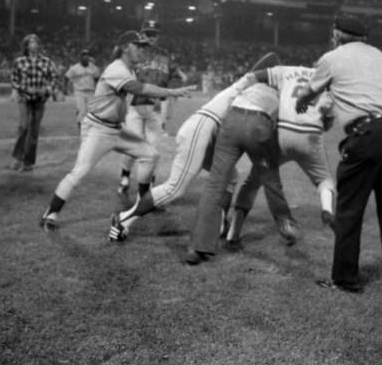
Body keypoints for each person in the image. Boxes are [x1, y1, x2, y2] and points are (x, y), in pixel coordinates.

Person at [294, 15, 382, 300]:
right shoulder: (379, 55)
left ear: (337, 34)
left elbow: (310, 92)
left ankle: (347, 279)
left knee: (349, 211)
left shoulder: (331, 58)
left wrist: (301, 101)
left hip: (368, 135)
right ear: (362, 37)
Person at [108, 53, 279, 242]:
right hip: (201, 128)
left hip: (207, 131)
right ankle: (123, 219)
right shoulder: (250, 84)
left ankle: (218, 225)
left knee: (231, 177)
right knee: (175, 188)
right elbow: (269, 61)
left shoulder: (252, 86)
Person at [39, 31, 194, 232]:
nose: (141, 50)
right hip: (98, 129)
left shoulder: (130, 68)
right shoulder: (117, 68)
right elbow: (138, 88)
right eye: (137, 46)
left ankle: (142, 202)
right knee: (79, 172)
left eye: (143, 47)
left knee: (150, 155)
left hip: (116, 129)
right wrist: (170, 92)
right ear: (125, 47)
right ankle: (50, 213)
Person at [224, 64, 337, 249]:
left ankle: (233, 233)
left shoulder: (285, 71)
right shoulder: (323, 78)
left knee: (255, 180)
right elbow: (329, 119)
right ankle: (327, 209)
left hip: (282, 133)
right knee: (324, 179)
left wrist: (236, 89)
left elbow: (255, 75)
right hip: (310, 135)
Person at [184, 75, 290, 265]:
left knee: (215, 185)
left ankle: (197, 248)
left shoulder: (250, 87)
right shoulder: (281, 91)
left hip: (231, 121)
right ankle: (287, 225)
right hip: (259, 124)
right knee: (271, 180)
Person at [118, 20, 188, 199]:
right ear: (141, 34)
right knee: (134, 146)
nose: (150, 37)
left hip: (155, 110)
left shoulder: (165, 56)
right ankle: (125, 176)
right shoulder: (134, 55)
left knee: (153, 150)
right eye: (147, 33)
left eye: (153, 34)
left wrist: (168, 93)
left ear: (158, 36)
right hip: (134, 107)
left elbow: (175, 77)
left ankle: (147, 186)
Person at [10, 34, 58, 172]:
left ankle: (28, 162)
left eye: (36, 42)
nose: (34, 44)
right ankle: (18, 158)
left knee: (34, 131)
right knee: (24, 127)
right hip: (25, 99)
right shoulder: (19, 62)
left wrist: (47, 89)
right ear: (26, 46)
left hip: (40, 100)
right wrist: (24, 89)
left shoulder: (47, 62)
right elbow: (14, 79)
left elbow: (54, 78)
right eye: (31, 42)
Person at [64, 49, 100, 129]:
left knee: (91, 110)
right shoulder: (75, 68)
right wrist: (64, 88)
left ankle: (90, 127)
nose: (86, 57)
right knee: (82, 110)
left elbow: (97, 78)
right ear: (80, 57)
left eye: (87, 55)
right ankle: (81, 127)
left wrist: (98, 89)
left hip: (91, 91)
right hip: (80, 92)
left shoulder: (93, 68)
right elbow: (66, 77)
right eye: (84, 55)